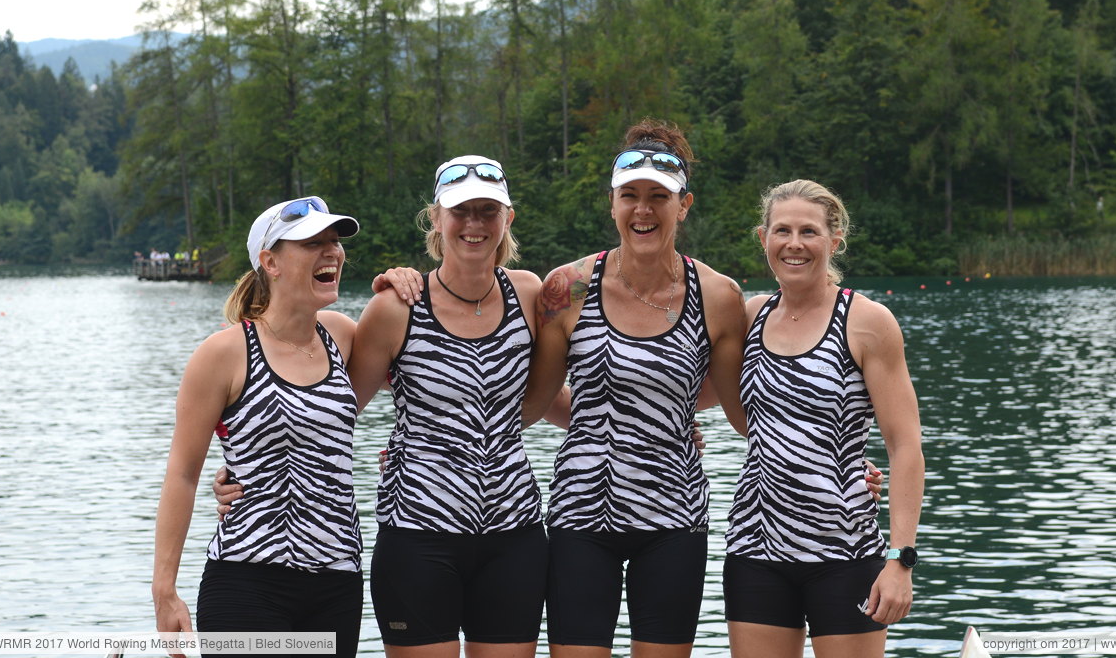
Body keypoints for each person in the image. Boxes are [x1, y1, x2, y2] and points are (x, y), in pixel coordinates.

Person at [521, 119, 749, 658]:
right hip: (582, 510)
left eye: (657, 198)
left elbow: (743, 410)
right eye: (630, 197)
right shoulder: (567, 287)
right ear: (612, 203)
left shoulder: (718, 296)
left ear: (684, 204)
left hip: (674, 513)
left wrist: (839, 461)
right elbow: (531, 399)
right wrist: (426, 440)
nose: (643, 210)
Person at [347, 156, 549, 658]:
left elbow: (548, 399)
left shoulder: (529, 293)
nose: (475, 224)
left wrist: (648, 429)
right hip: (418, 533)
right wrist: (246, 469)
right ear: (436, 218)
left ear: (508, 219)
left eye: (488, 210)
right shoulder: (397, 307)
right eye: (461, 211)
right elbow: (333, 414)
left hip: (514, 533)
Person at [152, 196, 363, 658]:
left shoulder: (343, 335)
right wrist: (164, 590)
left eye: (334, 241)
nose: (332, 252)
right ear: (271, 262)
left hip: (339, 581)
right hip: (248, 580)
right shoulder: (223, 354)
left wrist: (402, 282)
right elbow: (182, 473)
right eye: (313, 243)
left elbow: (424, 396)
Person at [723, 179, 924, 658]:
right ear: (763, 238)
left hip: (845, 553)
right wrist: (679, 425)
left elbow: (905, 447)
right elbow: (716, 400)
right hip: (756, 549)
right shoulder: (750, 316)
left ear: (834, 241)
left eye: (809, 232)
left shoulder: (867, 321)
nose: (794, 244)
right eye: (783, 231)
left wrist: (900, 560)